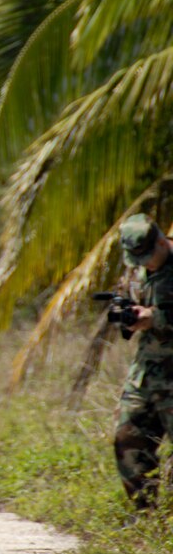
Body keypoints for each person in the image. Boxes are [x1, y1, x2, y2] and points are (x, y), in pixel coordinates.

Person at [115, 213, 173, 513]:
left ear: (163, 242)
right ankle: (145, 519)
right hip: (146, 377)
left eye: (149, 256)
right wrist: (126, 315)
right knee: (129, 443)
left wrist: (156, 317)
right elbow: (128, 300)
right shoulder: (137, 271)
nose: (145, 263)